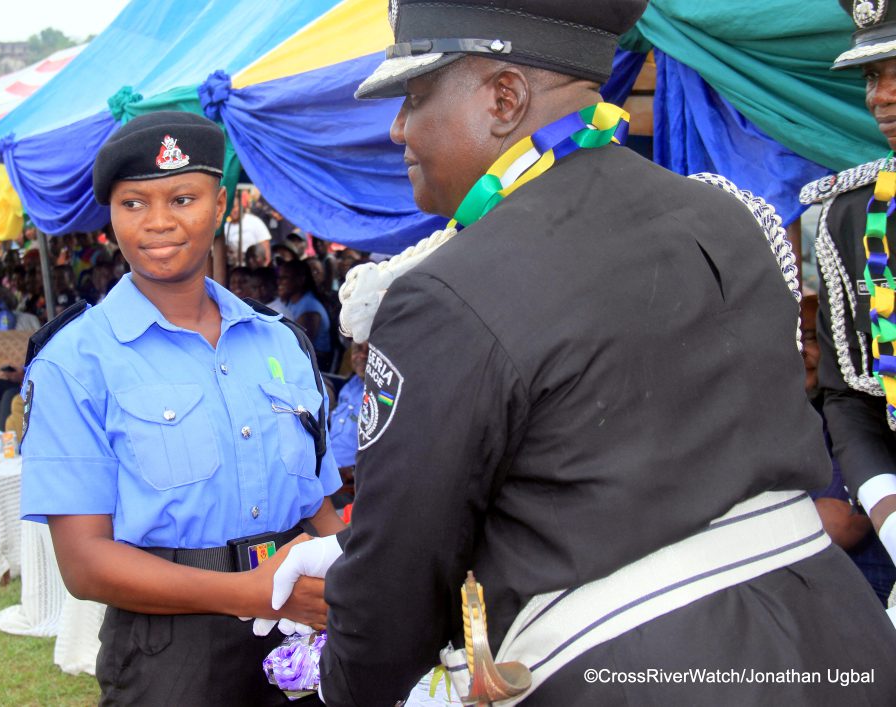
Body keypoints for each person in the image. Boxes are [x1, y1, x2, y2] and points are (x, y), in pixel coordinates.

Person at [272, 1, 896, 704]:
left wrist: (342, 677)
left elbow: (398, 587)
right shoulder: (727, 217)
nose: (398, 130)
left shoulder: (446, 292)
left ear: (505, 98)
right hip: (837, 640)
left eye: (415, 98)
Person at [18, 110, 344, 705]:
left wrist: (359, 575)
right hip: (170, 651)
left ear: (220, 206)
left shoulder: (282, 342)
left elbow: (319, 506)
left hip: (304, 632)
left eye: (183, 198)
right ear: (110, 218)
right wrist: (250, 592)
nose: (159, 222)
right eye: (134, 203)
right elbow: (85, 563)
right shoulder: (74, 361)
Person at [804, 0, 896, 609]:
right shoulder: (853, 215)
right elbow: (848, 394)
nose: (881, 96)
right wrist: (889, 512)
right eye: (871, 76)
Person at [329, 341, 367, 507]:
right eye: (358, 349)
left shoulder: (381, 396)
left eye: (370, 351)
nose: (362, 356)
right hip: (326, 471)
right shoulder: (351, 385)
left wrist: (352, 472)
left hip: (349, 485)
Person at [277, 259, 332, 369]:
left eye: (285, 278)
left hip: (316, 363)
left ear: (300, 280)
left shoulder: (310, 308)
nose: (279, 282)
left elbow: (301, 344)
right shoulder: (291, 301)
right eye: (279, 277)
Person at [225, 199, 272, 268]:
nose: (234, 210)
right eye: (231, 208)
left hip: (254, 268)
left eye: (236, 207)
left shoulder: (254, 221)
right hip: (236, 268)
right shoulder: (226, 227)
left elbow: (265, 247)